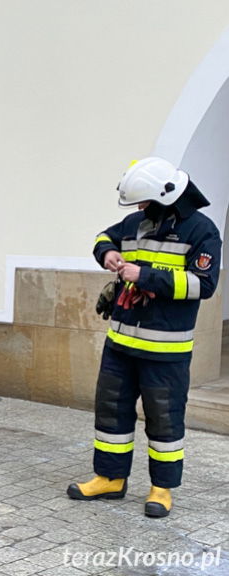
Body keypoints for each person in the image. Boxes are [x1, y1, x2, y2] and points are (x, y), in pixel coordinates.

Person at [68, 157, 221, 518]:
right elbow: (102, 236)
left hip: (165, 352)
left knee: (164, 421)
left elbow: (204, 285)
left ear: (165, 197)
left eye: (143, 201)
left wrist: (145, 275)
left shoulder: (201, 231)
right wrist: (107, 253)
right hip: (120, 345)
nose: (138, 209)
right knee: (111, 414)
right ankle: (109, 478)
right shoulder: (136, 223)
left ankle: (160, 489)